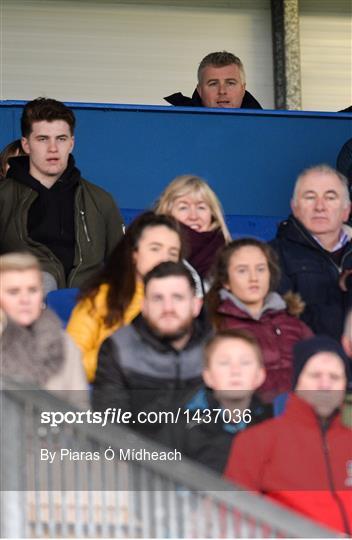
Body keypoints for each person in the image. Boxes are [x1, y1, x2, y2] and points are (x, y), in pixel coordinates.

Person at [224, 335, 352, 535]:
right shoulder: (257, 441)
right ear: (297, 381)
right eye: (315, 375)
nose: (325, 385)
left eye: (335, 377)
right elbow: (232, 518)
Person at [0, 98, 124, 292]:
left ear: (71, 143)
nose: (53, 148)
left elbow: (125, 267)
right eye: (42, 139)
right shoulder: (4, 197)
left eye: (61, 138)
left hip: (87, 306)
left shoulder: (100, 201)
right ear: (26, 144)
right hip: (23, 306)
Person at [92, 261, 210, 438]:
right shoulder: (118, 348)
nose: (168, 308)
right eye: (157, 298)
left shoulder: (218, 347)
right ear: (144, 307)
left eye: (178, 297)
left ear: (196, 306)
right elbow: (111, 432)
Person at [67, 212, 183, 382]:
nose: (164, 258)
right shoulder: (102, 297)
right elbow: (71, 364)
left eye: (173, 253)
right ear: (134, 254)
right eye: (155, 248)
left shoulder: (187, 305)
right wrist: (120, 356)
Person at [206, 238, 312, 401]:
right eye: (242, 271)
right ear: (226, 281)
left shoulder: (292, 321)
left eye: (261, 269)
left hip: (300, 412)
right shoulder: (216, 324)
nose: (254, 278)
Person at [160, 329, 272, 473]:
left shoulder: (273, 422)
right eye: (224, 363)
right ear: (208, 377)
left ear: (259, 376)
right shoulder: (182, 424)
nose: (235, 371)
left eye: (245, 363)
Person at [271, 164, 352, 340]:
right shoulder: (272, 256)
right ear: (295, 207)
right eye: (310, 197)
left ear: (346, 211)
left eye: (330, 198)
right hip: (306, 363)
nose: (320, 207)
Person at [0, 252, 87, 395]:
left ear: (41, 294)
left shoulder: (65, 344)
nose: (25, 299)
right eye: (13, 292)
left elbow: (79, 408)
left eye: (32, 290)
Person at [155, 174, 231, 291]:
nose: (193, 216)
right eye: (183, 207)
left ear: (212, 214)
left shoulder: (230, 259)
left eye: (201, 207)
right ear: (167, 213)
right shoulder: (154, 257)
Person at [164, 51, 262, 109]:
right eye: (213, 84)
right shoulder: (172, 122)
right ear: (200, 90)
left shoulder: (268, 127)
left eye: (230, 83)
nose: (222, 91)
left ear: (243, 89)